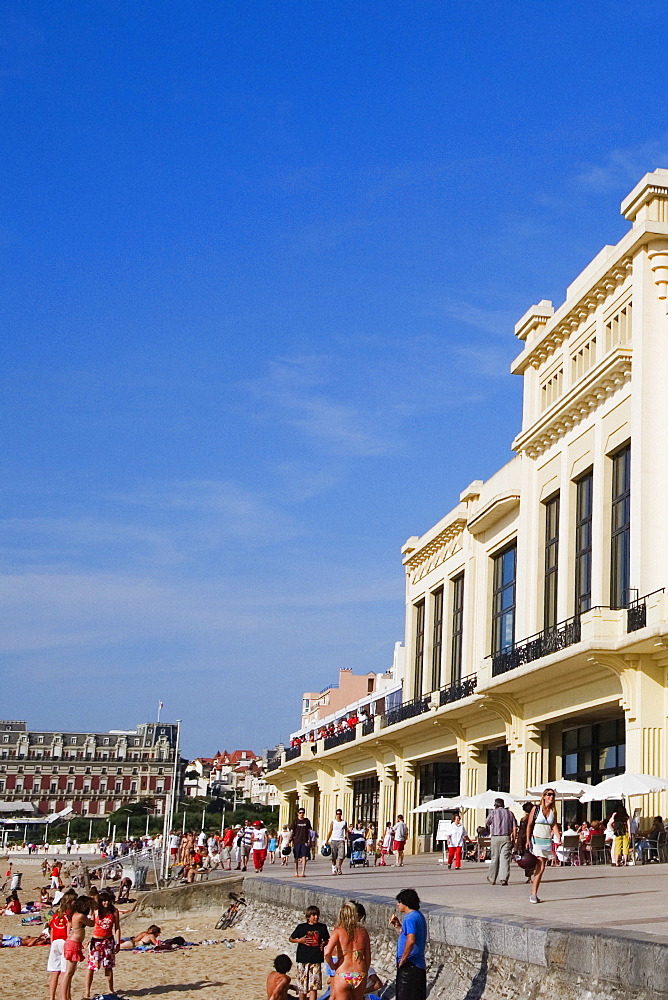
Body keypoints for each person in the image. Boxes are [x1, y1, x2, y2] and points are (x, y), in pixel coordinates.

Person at [324, 899, 371, 999]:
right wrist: (365, 971)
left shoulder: (338, 931)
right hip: (359, 972)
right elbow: (368, 957)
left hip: (343, 971)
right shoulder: (363, 932)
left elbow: (327, 953)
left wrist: (333, 966)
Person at [389, 888, 427, 1000]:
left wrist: (403, 960)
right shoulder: (418, 916)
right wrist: (398, 926)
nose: (398, 905)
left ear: (406, 903)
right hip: (417, 964)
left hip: (410, 965)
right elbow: (407, 934)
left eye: (399, 902)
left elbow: (411, 940)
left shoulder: (410, 918)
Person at [83, 888, 121, 998]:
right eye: (104, 901)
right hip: (96, 942)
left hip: (108, 941)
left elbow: (117, 927)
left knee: (108, 966)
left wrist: (117, 943)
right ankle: (87, 992)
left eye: (108, 901)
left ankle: (110, 989)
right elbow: (89, 923)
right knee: (91, 967)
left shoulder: (114, 911)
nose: (106, 903)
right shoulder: (96, 911)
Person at [526, 788, 561, 903]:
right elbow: (529, 825)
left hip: (546, 841)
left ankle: (534, 892)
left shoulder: (552, 811)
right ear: (544, 796)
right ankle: (533, 894)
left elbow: (554, 824)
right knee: (541, 867)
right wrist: (527, 840)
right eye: (549, 794)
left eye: (553, 795)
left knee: (541, 868)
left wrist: (558, 837)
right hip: (537, 840)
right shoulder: (536, 809)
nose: (551, 797)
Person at [289, 904, 330, 1000]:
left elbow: (327, 939)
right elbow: (291, 938)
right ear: (308, 917)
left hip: (316, 959)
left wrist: (324, 944)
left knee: (313, 986)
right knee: (302, 986)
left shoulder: (322, 927)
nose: (316, 917)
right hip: (303, 959)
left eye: (317, 915)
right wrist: (299, 941)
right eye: (314, 915)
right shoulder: (301, 927)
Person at [61, 896, 94, 1000]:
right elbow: (92, 923)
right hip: (73, 944)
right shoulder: (80, 916)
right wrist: (94, 913)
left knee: (70, 973)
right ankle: (63, 997)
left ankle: (67, 997)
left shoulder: (75, 915)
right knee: (68, 973)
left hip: (74, 943)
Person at [47, 890, 76, 1000]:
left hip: (55, 942)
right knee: (66, 973)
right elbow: (69, 931)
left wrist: (51, 943)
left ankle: (52, 997)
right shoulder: (69, 914)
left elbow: (52, 931)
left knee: (55, 972)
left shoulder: (57, 913)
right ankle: (66, 997)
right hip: (64, 942)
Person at [485, 797, 517, 886]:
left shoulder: (493, 812)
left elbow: (487, 822)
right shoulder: (510, 813)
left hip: (495, 837)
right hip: (506, 837)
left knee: (495, 858)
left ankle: (492, 878)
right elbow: (514, 827)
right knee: (505, 858)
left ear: (496, 805)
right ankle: (503, 879)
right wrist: (514, 838)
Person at [288, 808, 313, 878]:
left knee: (304, 856)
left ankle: (303, 872)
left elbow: (309, 832)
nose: (301, 814)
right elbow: (292, 831)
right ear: (298, 813)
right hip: (296, 841)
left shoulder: (307, 821)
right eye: (300, 813)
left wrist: (309, 840)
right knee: (296, 857)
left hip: (304, 841)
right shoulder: (295, 821)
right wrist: (288, 841)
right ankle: (296, 872)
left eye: (303, 813)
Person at [325, 809, 349, 876]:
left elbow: (346, 831)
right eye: (337, 814)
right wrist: (327, 840)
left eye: (339, 814)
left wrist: (348, 839)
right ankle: (333, 867)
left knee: (342, 855)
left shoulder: (344, 822)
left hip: (341, 840)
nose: (338, 815)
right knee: (333, 856)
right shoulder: (333, 822)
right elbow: (330, 831)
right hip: (334, 840)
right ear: (336, 815)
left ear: (341, 814)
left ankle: (339, 867)